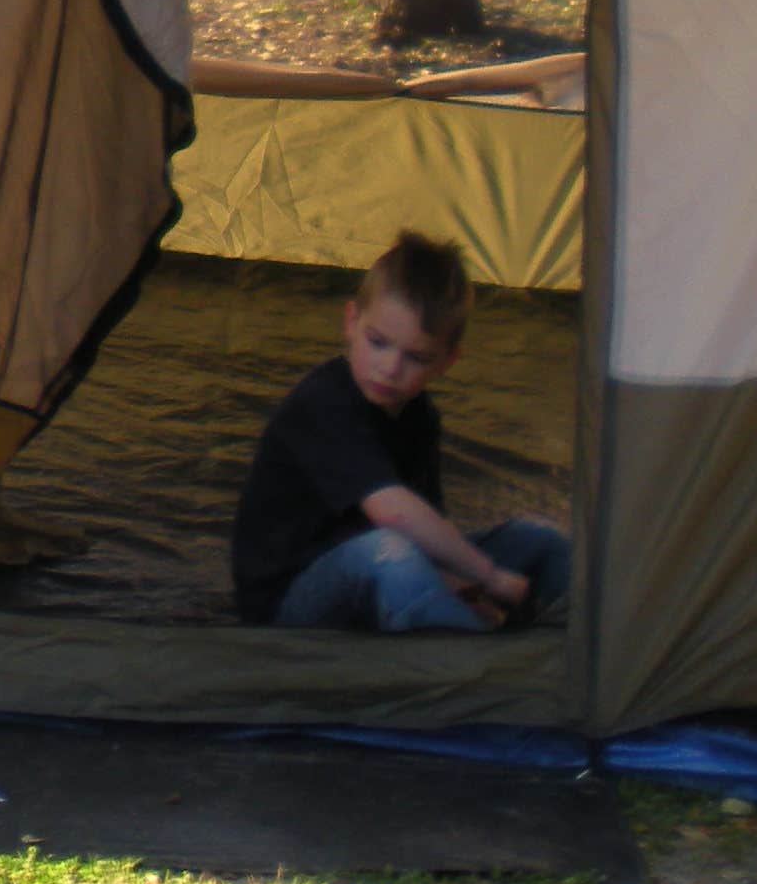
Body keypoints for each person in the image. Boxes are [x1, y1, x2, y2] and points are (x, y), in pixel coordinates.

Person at [228, 229, 570, 632]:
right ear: (351, 322)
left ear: (446, 361)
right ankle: (471, 662)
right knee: (387, 551)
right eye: (378, 343)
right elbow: (392, 513)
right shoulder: (321, 402)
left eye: (415, 357)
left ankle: (604, 644)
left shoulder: (420, 417)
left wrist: (461, 585)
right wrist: (488, 578)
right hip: (291, 600)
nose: (390, 368)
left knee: (538, 541)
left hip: (392, 561)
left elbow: (428, 526)